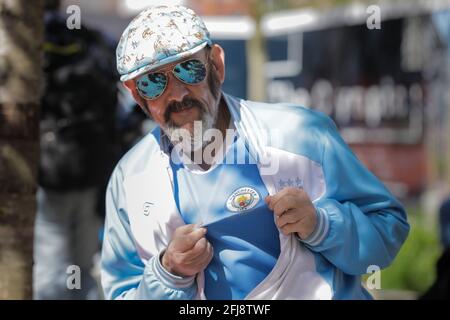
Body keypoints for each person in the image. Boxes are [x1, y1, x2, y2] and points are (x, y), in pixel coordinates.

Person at [101, 5, 410, 300]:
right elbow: (122, 289)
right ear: (135, 94)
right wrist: (167, 272)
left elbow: (388, 229)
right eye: (154, 82)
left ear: (216, 65)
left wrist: (321, 224)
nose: (178, 94)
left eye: (189, 69)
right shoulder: (130, 180)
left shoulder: (300, 133)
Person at [34, 0, 118, 299]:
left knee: (49, 262)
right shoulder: (91, 40)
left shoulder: (28, 40)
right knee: (83, 262)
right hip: (92, 167)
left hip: (46, 170)